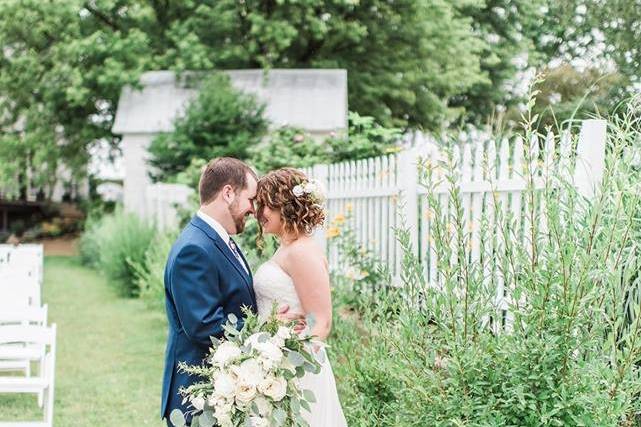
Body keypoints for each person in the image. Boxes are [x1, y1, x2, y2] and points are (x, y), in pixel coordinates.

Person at [161, 158, 301, 426]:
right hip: (200, 395)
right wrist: (267, 329)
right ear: (228, 193)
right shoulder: (194, 249)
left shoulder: (217, 240)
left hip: (226, 390)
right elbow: (204, 326)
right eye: (251, 199)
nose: (254, 210)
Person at [253, 167, 348, 426]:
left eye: (266, 205)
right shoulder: (287, 248)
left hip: (295, 370)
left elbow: (321, 322)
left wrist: (289, 367)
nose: (259, 213)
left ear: (285, 206)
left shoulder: (302, 252)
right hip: (273, 360)